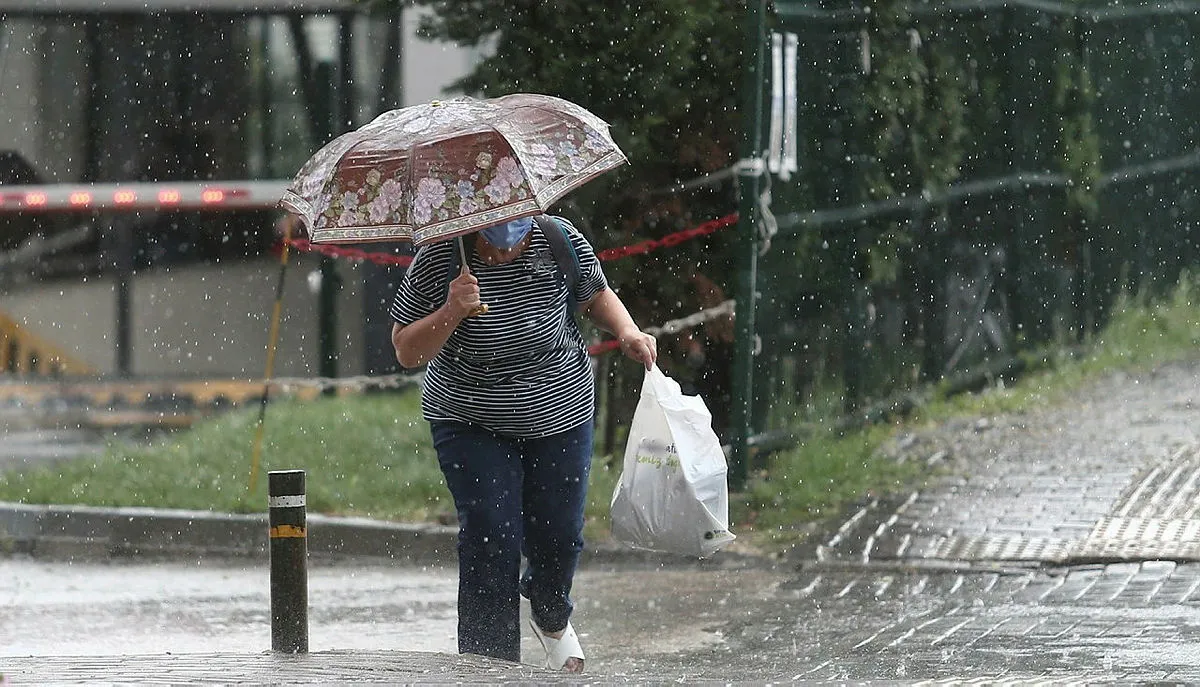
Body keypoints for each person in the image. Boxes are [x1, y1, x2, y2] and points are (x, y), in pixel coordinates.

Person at [389, 215, 656, 672]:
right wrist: (452, 309)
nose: (508, 229)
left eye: (517, 218)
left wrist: (627, 331)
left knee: (560, 536)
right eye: (496, 219)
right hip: (470, 419)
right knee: (491, 535)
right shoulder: (441, 255)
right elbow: (406, 350)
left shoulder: (558, 239)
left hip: (561, 411)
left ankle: (550, 612)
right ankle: (489, 666)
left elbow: (595, 294)